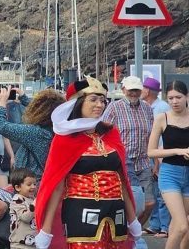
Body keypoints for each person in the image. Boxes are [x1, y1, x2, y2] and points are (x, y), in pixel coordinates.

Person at [34, 78, 141, 249]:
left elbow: (122, 179)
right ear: (78, 103)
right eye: (93, 99)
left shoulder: (111, 133)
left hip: (115, 212)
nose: (100, 104)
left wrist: (132, 218)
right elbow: (56, 184)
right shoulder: (65, 139)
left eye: (102, 100)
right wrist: (46, 229)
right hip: (81, 212)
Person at [107, 76, 157, 232]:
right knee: (127, 203)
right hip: (122, 162)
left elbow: (152, 136)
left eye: (136, 90)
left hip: (143, 162)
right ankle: (126, 235)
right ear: (123, 90)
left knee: (149, 203)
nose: (134, 93)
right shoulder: (114, 108)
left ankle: (133, 232)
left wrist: (156, 161)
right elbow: (103, 132)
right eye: (131, 90)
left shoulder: (147, 108)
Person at [147, 80, 189, 249]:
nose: (174, 101)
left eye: (178, 97)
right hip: (170, 174)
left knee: (184, 226)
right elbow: (151, 151)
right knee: (181, 226)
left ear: (186, 97)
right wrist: (178, 150)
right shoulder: (162, 118)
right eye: (170, 98)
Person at [0, 88, 61, 176]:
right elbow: (42, 109)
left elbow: (0, 125)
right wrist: (23, 97)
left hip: (32, 183)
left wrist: (1, 103)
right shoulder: (56, 128)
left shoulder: (36, 133)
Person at [9, 168, 38, 249]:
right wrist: (35, 204)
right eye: (29, 184)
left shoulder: (32, 199)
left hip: (32, 244)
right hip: (19, 245)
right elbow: (25, 217)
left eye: (35, 184)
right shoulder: (17, 200)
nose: (33, 187)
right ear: (18, 187)